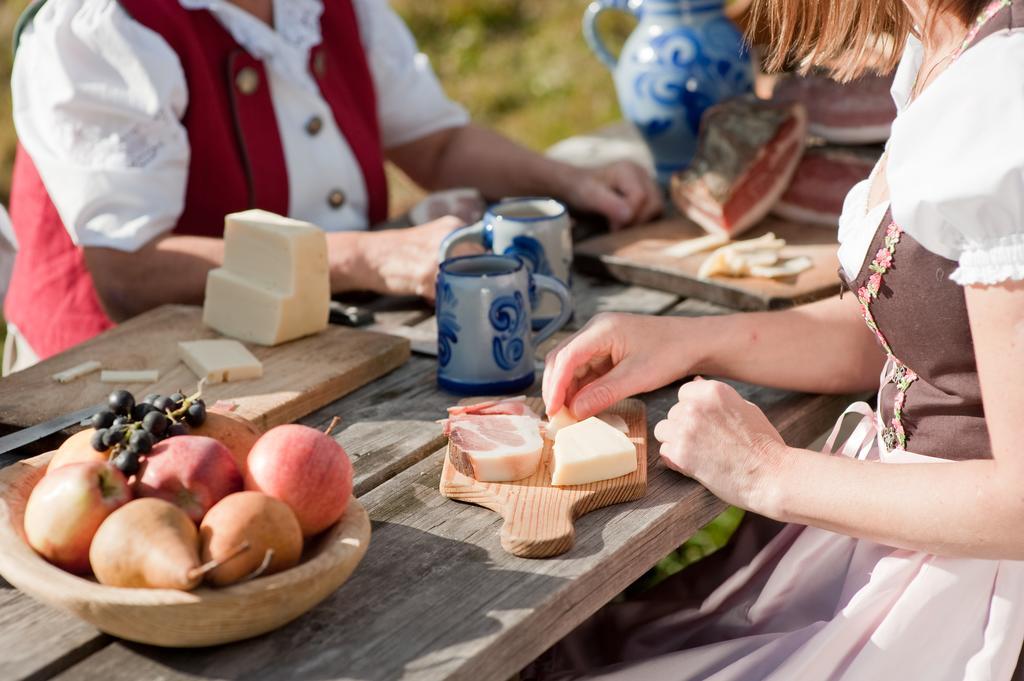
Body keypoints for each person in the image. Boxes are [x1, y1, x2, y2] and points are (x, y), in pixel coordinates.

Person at [539, 0, 1024, 678]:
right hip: (894, 530)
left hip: (967, 594)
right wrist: (687, 339)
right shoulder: (942, 42)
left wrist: (768, 470)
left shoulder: (1003, 93)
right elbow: (921, 335)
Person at [2, 0, 662, 373]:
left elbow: (435, 144)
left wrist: (572, 180)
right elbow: (130, 273)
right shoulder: (102, 27)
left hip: (324, 349)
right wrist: (368, 257)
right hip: (120, 384)